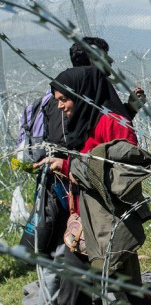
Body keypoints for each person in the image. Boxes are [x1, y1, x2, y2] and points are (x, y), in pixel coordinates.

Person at [35, 66, 140, 304]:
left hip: (108, 220)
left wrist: (72, 168)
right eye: (57, 100)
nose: (60, 106)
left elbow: (126, 171)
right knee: (79, 288)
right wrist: (63, 165)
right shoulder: (85, 122)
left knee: (120, 288)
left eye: (64, 99)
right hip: (84, 218)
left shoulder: (114, 124)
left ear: (82, 94)